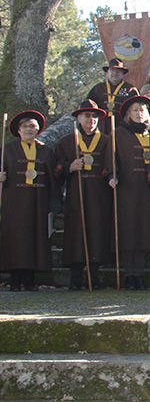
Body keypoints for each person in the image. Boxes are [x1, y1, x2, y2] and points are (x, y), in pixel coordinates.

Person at [54, 100, 113, 290]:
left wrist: (111, 176)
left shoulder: (106, 141)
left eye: (95, 116)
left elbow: (111, 164)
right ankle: (75, 276)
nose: (91, 120)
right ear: (79, 117)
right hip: (76, 192)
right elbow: (56, 169)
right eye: (87, 115)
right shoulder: (66, 141)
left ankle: (93, 276)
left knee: (97, 231)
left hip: (99, 193)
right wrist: (69, 167)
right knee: (76, 232)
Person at [109, 94, 150, 290]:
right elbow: (112, 158)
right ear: (128, 114)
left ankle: (139, 274)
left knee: (144, 231)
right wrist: (111, 174)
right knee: (128, 230)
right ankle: (128, 273)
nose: (139, 113)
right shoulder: (119, 133)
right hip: (127, 188)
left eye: (142, 110)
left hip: (149, 189)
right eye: (135, 110)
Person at [0, 110, 55, 291]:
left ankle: (30, 280)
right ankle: (15, 280)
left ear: (38, 129)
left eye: (32, 126)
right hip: (15, 202)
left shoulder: (45, 150)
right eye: (25, 126)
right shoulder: (7, 149)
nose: (29, 129)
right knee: (16, 239)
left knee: (34, 239)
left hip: (38, 201)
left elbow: (52, 177)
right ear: (18, 130)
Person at [87, 57, 138, 133]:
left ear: (122, 73)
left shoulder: (131, 90)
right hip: (100, 129)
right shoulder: (97, 89)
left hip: (123, 129)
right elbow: (88, 108)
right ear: (107, 72)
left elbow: (136, 110)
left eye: (118, 70)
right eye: (112, 70)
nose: (115, 73)